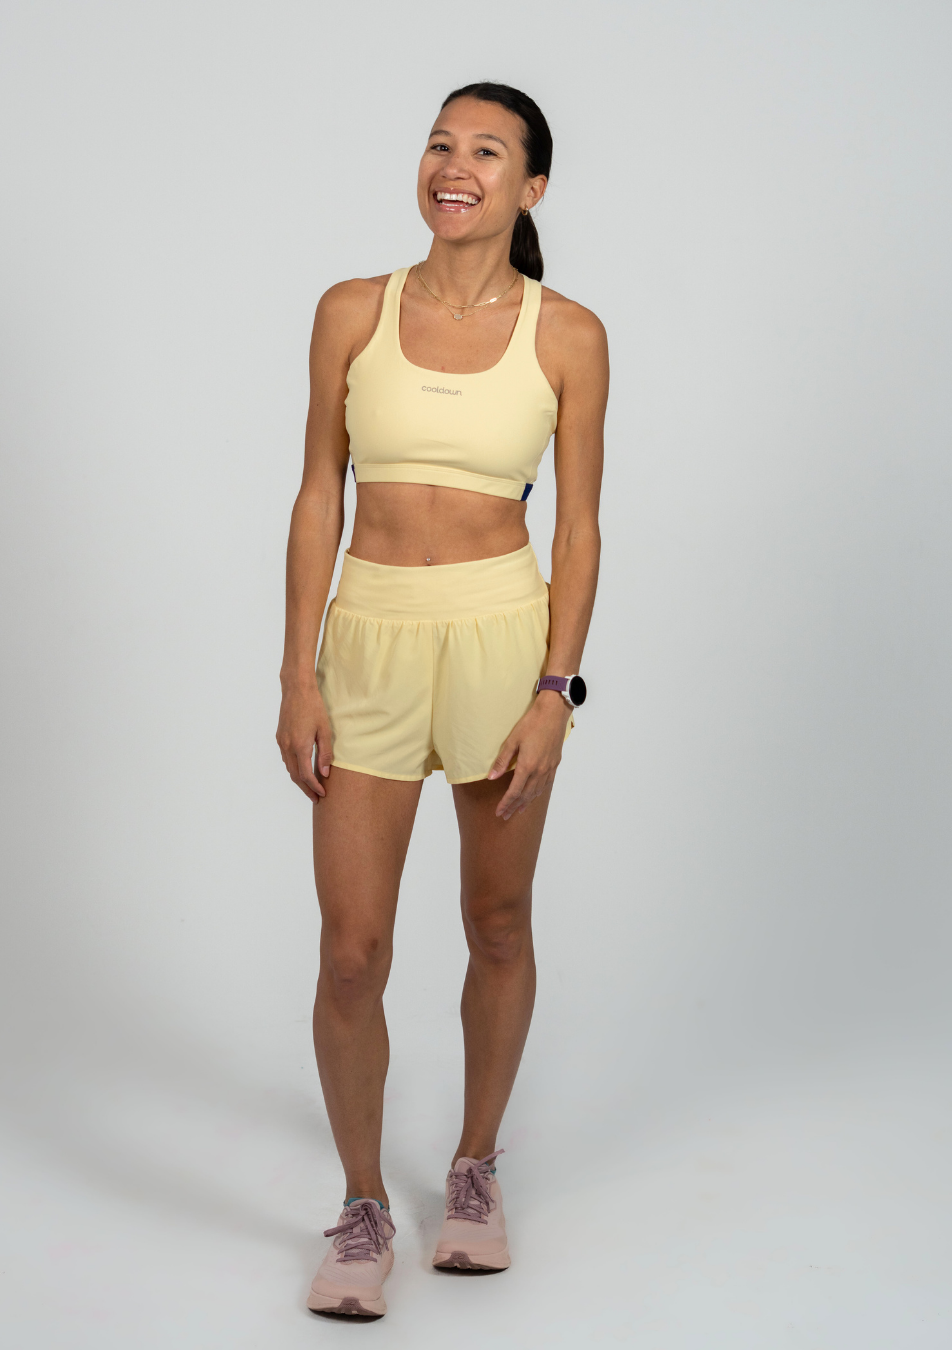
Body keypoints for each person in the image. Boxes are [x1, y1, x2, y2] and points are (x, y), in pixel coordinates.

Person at [276, 81, 607, 1318]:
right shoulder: (349, 311)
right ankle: (363, 1204)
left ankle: (473, 1170)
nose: (453, 166)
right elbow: (319, 493)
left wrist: (555, 691)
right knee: (351, 951)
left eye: (487, 151)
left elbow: (578, 529)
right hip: (368, 639)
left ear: (532, 187)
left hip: (501, 640)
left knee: (499, 923)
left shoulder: (568, 334)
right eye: (439, 143)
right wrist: (298, 672)